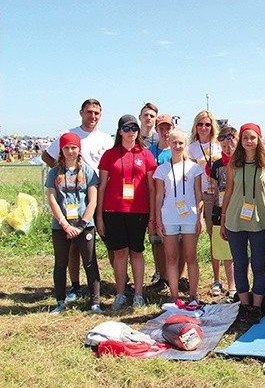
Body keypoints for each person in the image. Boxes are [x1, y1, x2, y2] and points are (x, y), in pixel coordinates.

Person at [43, 98, 112, 302]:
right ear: (81, 112)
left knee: (107, 240)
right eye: (89, 112)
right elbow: (47, 156)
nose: (92, 116)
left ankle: (111, 286)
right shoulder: (69, 135)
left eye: (96, 113)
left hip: (96, 194)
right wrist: (62, 174)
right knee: (72, 247)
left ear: (101, 115)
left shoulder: (105, 139)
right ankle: (74, 286)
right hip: (71, 196)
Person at [96, 115, 157, 310]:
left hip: (139, 211)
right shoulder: (109, 155)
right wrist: (99, 217)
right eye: (127, 128)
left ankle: (138, 294)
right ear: (120, 131)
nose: (131, 132)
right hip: (113, 211)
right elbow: (102, 187)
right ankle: (120, 293)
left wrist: (153, 216)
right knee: (120, 253)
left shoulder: (146, 155)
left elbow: (151, 188)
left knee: (137, 252)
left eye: (134, 128)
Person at [220, 123, 265, 324]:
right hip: (236, 220)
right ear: (241, 141)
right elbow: (228, 192)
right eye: (245, 138)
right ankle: (244, 306)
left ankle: (257, 307)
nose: (249, 141)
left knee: (259, 265)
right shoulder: (233, 165)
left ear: (259, 140)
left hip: (261, 221)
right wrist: (224, 216)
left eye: (253, 137)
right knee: (240, 264)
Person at [46, 132, 102, 314]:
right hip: (61, 226)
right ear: (61, 150)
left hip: (84, 225)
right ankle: (60, 301)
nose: (70, 151)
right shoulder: (54, 172)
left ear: (79, 150)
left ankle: (95, 302)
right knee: (61, 263)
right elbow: (52, 200)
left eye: (74, 148)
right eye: (66, 148)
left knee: (90, 262)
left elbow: (92, 200)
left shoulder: (87, 171)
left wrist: (80, 225)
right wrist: (64, 224)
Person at [154, 129, 203, 303]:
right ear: (169, 143)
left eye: (181, 143)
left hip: (190, 216)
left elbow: (198, 194)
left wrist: (200, 218)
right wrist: (158, 220)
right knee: (172, 257)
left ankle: (193, 295)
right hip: (169, 217)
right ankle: (173, 295)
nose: (177, 146)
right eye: (174, 142)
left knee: (191, 256)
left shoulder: (194, 167)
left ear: (185, 145)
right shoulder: (161, 169)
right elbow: (159, 196)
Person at [188, 111, 223, 295]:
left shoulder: (218, 145)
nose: (203, 128)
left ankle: (231, 279)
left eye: (207, 125)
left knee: (224, 237)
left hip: (221, 194)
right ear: (195, 126)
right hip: (203, 195)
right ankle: (216, 279)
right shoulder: (192, 148)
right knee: (212, 237)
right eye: (200, 124)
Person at [209, 126, 238, 299]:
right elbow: (214, 190)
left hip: (239, 211)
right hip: (220, 210)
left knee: (239, 251)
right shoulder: (217, 165)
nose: (228, 148)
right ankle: (228, 284)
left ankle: (237, 286)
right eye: (224, 146)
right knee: (223, 249)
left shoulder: (242, 162)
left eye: (231, 144)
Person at [147, 113, 175, 289]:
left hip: (174, 203)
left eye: (168, 128)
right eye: (161, 128)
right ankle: (161, 276)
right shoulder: (149, 152)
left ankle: (177, 277)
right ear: (156, 130)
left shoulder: (177, 150)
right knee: (157, 240)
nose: (165, 132)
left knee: (175, 241)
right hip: (155, 200)